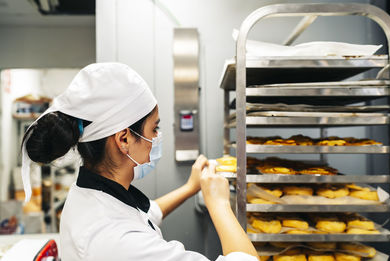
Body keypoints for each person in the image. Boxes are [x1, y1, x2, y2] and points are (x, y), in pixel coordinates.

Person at [21, 63, 259, 261]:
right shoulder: (117, 241)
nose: (157, 137)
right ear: (124, 139)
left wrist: (190, 187)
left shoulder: (92, 193)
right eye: (154, 128)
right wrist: (218, 203)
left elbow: (146, 214)